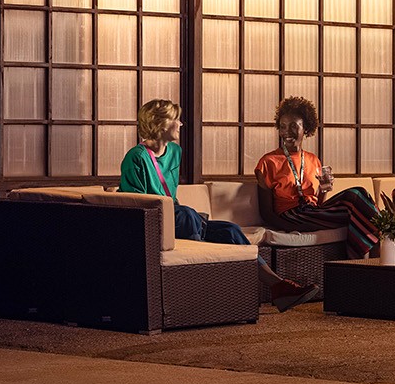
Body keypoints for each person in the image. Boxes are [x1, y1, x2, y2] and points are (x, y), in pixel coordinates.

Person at [119, 98, 319, 311]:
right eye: (176, 119)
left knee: (230, 230)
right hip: (154, 223)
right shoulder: (136, 157)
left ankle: (279, 287)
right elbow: (136, 204)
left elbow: (172, 196)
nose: (181, 124)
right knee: (186, 215)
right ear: (160, 124)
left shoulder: (175, 153)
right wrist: (180, 215)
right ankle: (195, 290)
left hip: (177, 218)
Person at [254, 97, 380, 260]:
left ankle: (363, 261)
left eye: (294, 126)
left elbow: (318, 204)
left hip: (312, 211)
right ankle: (367, 260)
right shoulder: (268, 162)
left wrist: (324, 189)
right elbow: (266, 213)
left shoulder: (313, 160)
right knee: (355, 197)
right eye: (283, 126)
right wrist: (292, 227)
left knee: (359, 196)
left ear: (306, 129)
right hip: (291, 215)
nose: (286, 132)